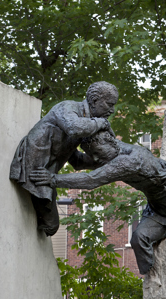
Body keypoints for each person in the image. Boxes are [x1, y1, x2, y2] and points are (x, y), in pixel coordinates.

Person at [30, 131, 166, 274]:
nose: (96, 158)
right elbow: (79, 163)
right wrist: (67, 139)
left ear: (108, 143)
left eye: (96, 153)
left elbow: (91, 180)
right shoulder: (109, 153)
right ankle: (154, 282)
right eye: (93, 154)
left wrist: (52, 179)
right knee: (138, 239)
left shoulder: (129, 161)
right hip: (156, 208)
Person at [10, 82, 119, 236]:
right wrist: (101, 123)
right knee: (51, 225)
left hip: (47, 172)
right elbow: (74, 128)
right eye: (109, 104)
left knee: (51, 226)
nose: (112, 110)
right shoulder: (68, 108)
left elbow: (77, 161)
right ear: (95, 100)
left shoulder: (86, 124)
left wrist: (103, 161)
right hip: (34, 166)